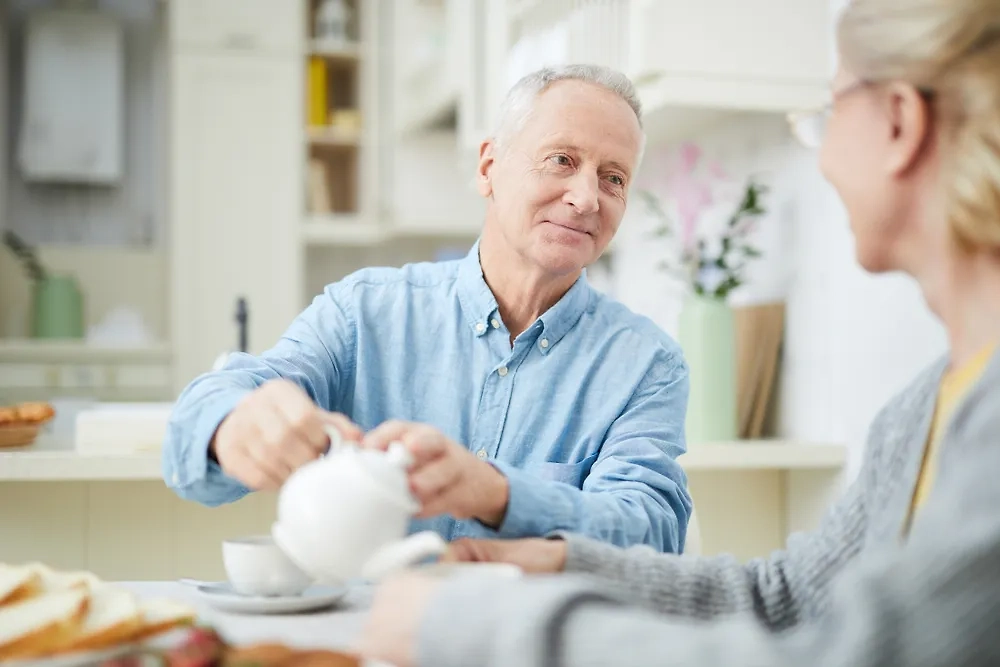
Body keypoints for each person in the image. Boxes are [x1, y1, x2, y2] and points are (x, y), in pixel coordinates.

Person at [358, 0, 1000, 665]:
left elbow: (848, 654)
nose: (825, 157)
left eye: (829, 115)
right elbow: (786, 596)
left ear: (900, 121)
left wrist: (485, 627)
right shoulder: (922, 410)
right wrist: (562, 563)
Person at [161, 64, 693, 551]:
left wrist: (497, 494)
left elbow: (651, 531)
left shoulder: (647, 364)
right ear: (489, 167)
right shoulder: (363, 312)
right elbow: (210, 421)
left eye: (613, 178)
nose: (586, 197)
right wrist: (229, 424)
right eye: (562, 160)